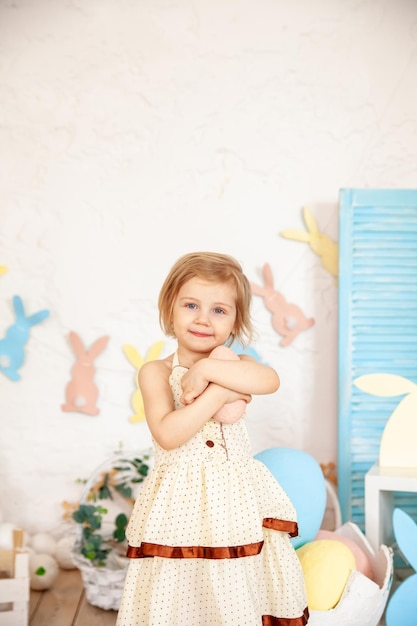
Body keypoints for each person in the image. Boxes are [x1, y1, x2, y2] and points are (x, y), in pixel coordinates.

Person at [116, 251, 309, 626]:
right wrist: (219, 394)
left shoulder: (241, 366)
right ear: (169, 308)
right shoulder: (155, 372)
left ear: (236, 321)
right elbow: (169, 434)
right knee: (180, 588)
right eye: (191, 305)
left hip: (234, 503)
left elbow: (270, 381)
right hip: (179, 505)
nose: (204, 319)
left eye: (220, 310)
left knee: (233, 586)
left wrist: (207, 369)